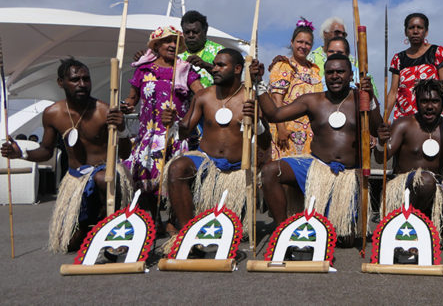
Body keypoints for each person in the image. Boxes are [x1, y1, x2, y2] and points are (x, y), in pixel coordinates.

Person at [1, 58, 132, 253]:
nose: (82, 84)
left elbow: (125, 153)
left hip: (107, 176)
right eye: (75, 79)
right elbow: (46, 151)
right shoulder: (52, 113)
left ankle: (111, 226)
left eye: (86, 79)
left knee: (102, 178)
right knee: (68, 245)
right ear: (60, 82)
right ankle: (92, 223)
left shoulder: (104, 111)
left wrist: (122, 130)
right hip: (76, 179)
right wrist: (22, 153)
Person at [259, 54, 383, 244]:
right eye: (330, 72)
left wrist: (370, 98)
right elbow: (275, 115)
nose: (335, 76)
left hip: (347, 176)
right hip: (315, 167)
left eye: (340, 72)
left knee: (345, 240)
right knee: (270, 171)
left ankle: (338, 220)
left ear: (351, 75)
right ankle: (282, 230)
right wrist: (258, 84)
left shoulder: (360, 99)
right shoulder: (312, 100)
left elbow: (377, 129)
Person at [161, 49, 270, 240]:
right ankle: (188, 235)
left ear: (237, 69)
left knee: (231, 232)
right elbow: (184, 132)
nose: (215, 69)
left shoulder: (250, 97)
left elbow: (265, 141)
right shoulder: (203, 96)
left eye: (221, 65)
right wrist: (172, 123)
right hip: (206, 163)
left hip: (237, 172)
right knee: (177, 168)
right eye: (215, 64)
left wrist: (256, 122)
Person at [375, 79, 443, 252]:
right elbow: (380, 158)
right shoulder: (403, 124)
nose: (429, 106)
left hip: (436, 190)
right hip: (404, 189)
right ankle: (413, 229)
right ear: (417, 103)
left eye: (435, 101)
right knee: (425, 180)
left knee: (430, 183)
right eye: (424, 101)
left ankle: (429, 228)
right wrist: (380, 142)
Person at [121, 26, 202, 212]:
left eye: (176, 42)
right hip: (148, 136)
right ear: (157, 45)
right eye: (167, 41)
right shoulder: (143, 69)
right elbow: (132, 99)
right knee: (146, 180)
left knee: (176, 179)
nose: (172, 45)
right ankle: (152, 222)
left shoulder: (184, 69)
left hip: (176, 134)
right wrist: (124, 107)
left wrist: (186, 118)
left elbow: (202, 96)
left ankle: (175, 221)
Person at [267, 18, 323, 160]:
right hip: (286, 132)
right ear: (292, 43)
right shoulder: (284, 66)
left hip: (310, 134)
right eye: (300, 42)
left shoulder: (314, 70)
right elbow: (276, 99)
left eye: (307, 43)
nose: (303, 46)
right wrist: (281, 129)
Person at [385, 13, 443, 120]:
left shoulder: (438, 53)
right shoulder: (398, 59)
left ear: (426, 32)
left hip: (431, 117)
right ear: (406, 32)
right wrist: (384, 119)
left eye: (419, 28)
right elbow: (393, 92)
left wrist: (442, 115)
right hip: (405, 118)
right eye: (411, 28)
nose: (415, 31)